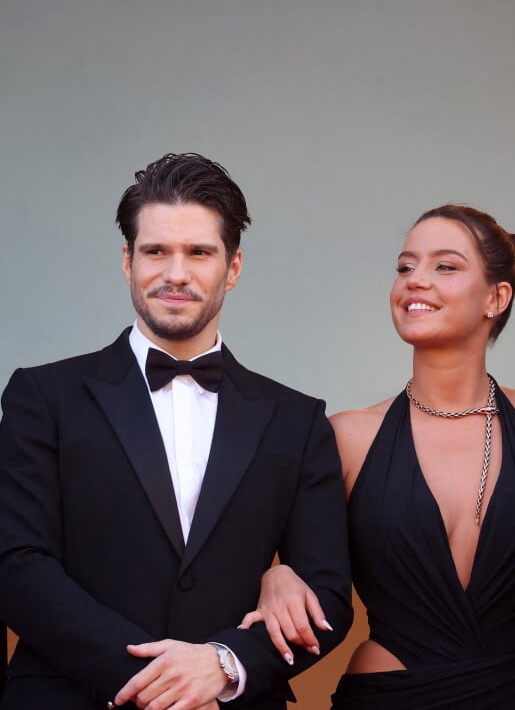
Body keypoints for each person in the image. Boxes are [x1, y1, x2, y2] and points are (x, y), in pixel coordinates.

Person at [0, 152, 353, 710]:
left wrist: (222, 665)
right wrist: (160, 682)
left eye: (199, 253)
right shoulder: (42, 397)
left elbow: (326, 594)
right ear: (127, 261)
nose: (176, 274)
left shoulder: (296, 418)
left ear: (233, 268)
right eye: (156, 251)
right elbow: (16, 566)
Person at [240, 205, 515, 709]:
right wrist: (274, 574)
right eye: (405, 267)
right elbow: (276, 558)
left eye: (444, 266)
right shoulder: (347, 436)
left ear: (496, 296)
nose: (415, 281)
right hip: (390, 697)